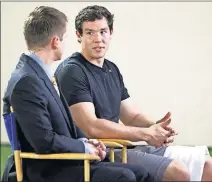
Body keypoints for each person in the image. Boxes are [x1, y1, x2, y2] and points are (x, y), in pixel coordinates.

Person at [55, 5, 212, 182]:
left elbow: (131, 117)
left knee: (208, 164)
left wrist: (155, 126)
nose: (98, 39)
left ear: (111, 32)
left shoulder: (111, 69)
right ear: (79, 35)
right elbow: (91, 127)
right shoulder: (72, 71)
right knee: (178, 172)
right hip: (100, 151)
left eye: (103, 31)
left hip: (123, 146)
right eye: (90, 33)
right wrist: (146, 134)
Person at [2, 6, 151, 182]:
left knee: (141, 173)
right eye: (65, 38)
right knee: (125, 176)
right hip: (46, 170)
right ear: (55, 41)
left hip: (66, 162)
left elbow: (62, 126)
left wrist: (86, 141)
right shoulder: (26, 81)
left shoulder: (38, 74)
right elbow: (44, 141)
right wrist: (83, 147)